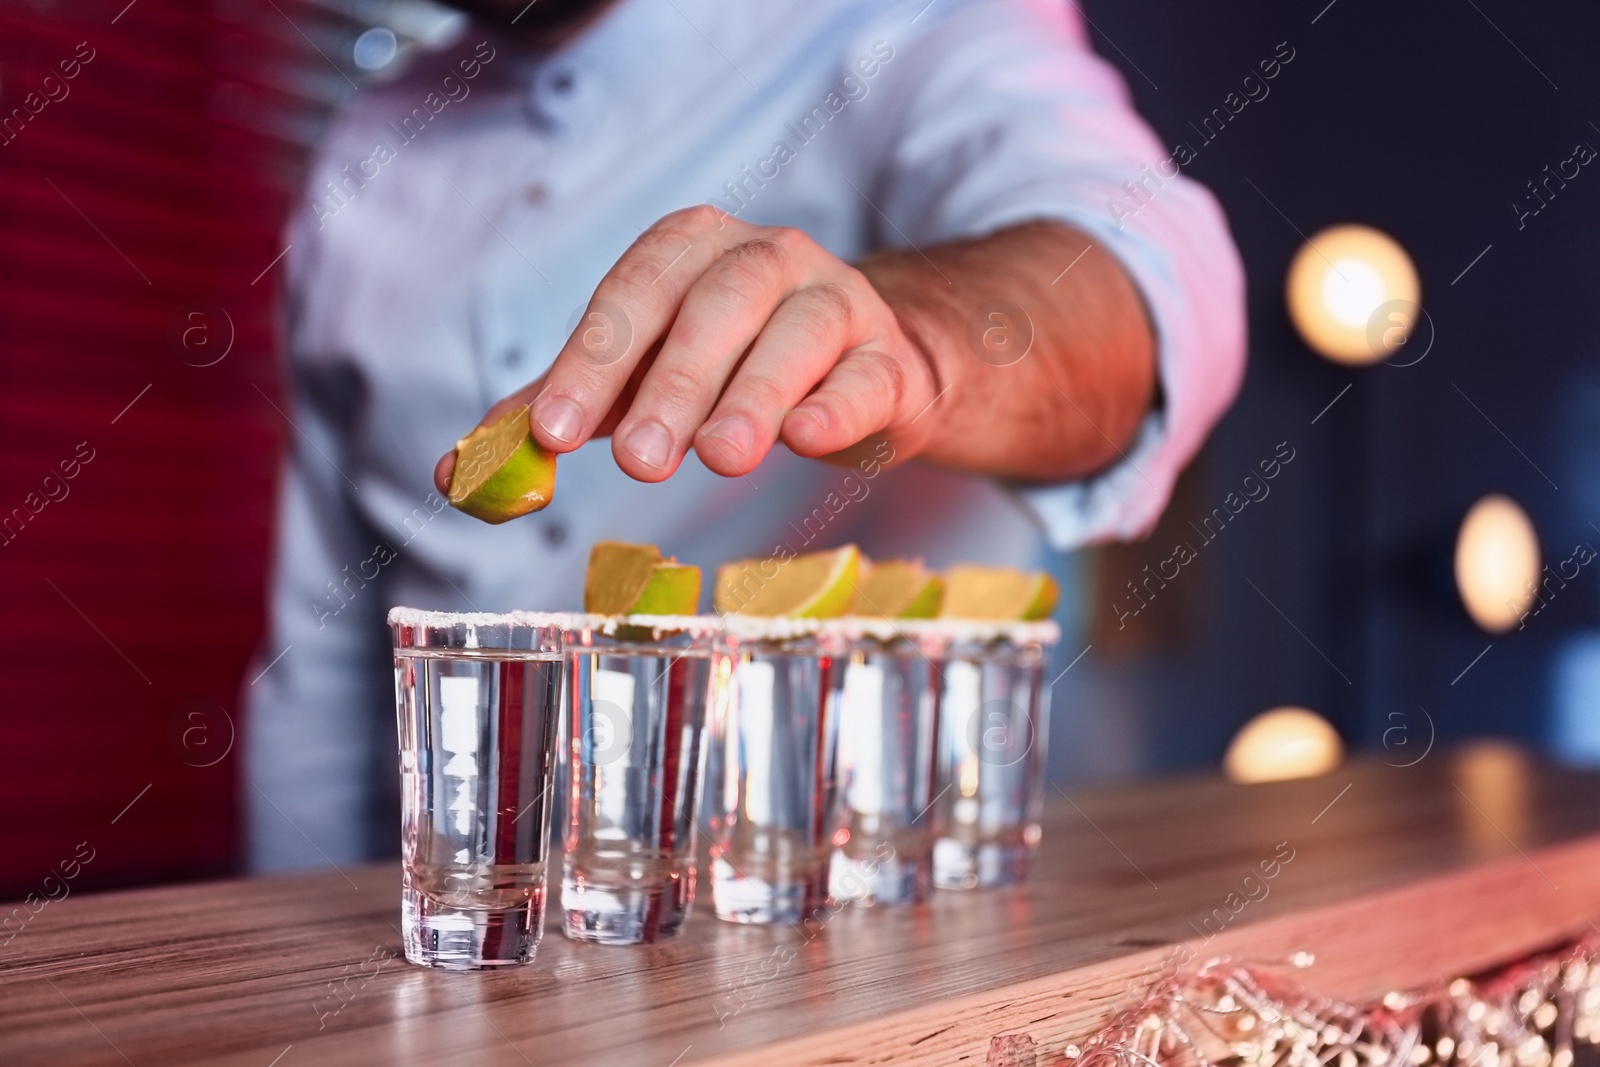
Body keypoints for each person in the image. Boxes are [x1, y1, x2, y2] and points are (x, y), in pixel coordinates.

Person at [243, 0, 1245, 870]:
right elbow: (322, 656)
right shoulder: (362, 152)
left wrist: (918, 343)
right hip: (458, 944)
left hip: (820, 925)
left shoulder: (898, 23)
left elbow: (1143, 274)